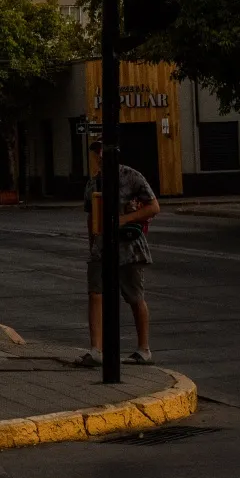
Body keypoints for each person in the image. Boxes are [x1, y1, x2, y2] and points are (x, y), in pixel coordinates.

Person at [79, 137, 160, 367]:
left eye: (105, 152)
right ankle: (96, 349)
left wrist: (124, 219)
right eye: (98, 152)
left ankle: (143, 350)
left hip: (129, 247)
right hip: (101, 246)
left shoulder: (132, 177)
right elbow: (90, 216)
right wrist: (92, 242)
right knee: (96, 293)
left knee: (135, 296)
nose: (101, 157)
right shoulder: (94, 184)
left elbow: (154, 207)